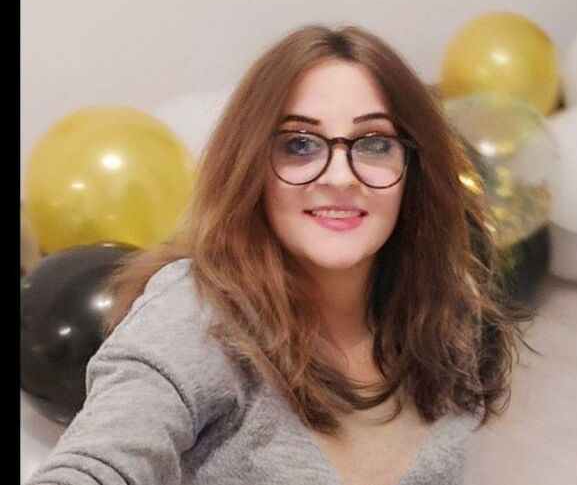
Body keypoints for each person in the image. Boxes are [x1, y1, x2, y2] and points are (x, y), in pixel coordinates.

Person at [27, 25, 536, 485]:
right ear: (252, 166)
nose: (340, 176)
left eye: (374, 143)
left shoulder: (443, 307)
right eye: (300, 145)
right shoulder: (195, 312)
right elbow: (96, 463)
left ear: (413, 166)